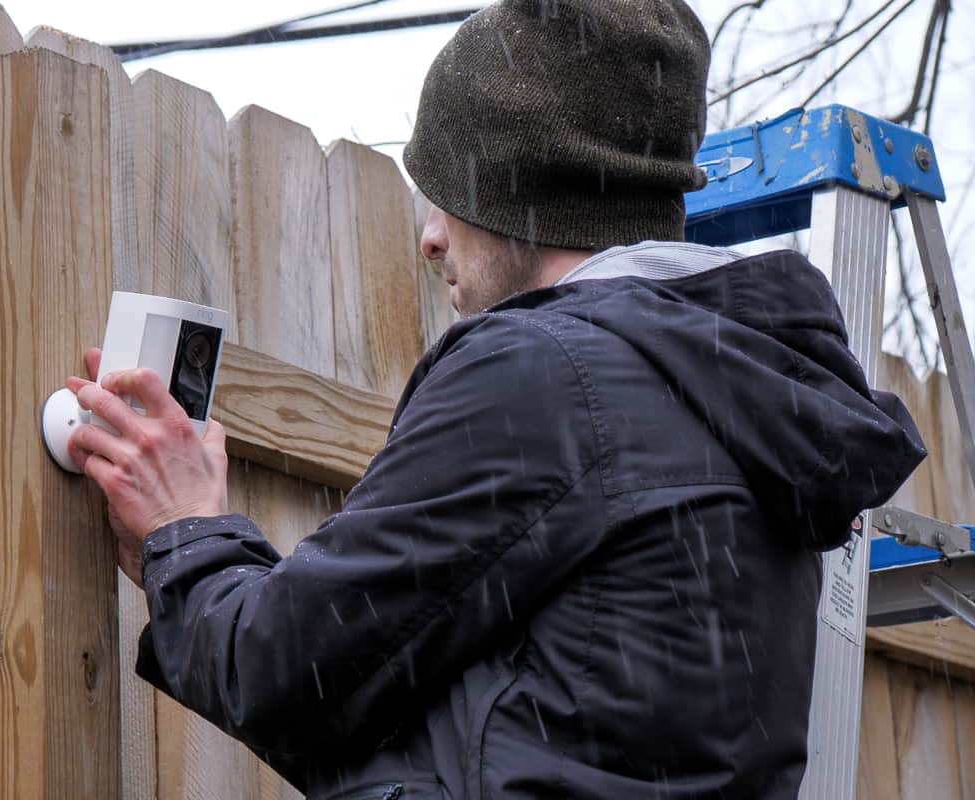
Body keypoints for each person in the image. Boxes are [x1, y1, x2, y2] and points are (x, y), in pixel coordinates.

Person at [65, 1, 927, 797]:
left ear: (522, 194)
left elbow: (288, 675)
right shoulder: (731, 386)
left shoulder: (546, 372)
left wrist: (188, 534)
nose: (430, 235)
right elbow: (481, 726)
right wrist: (185, 572)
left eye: (451, 194)